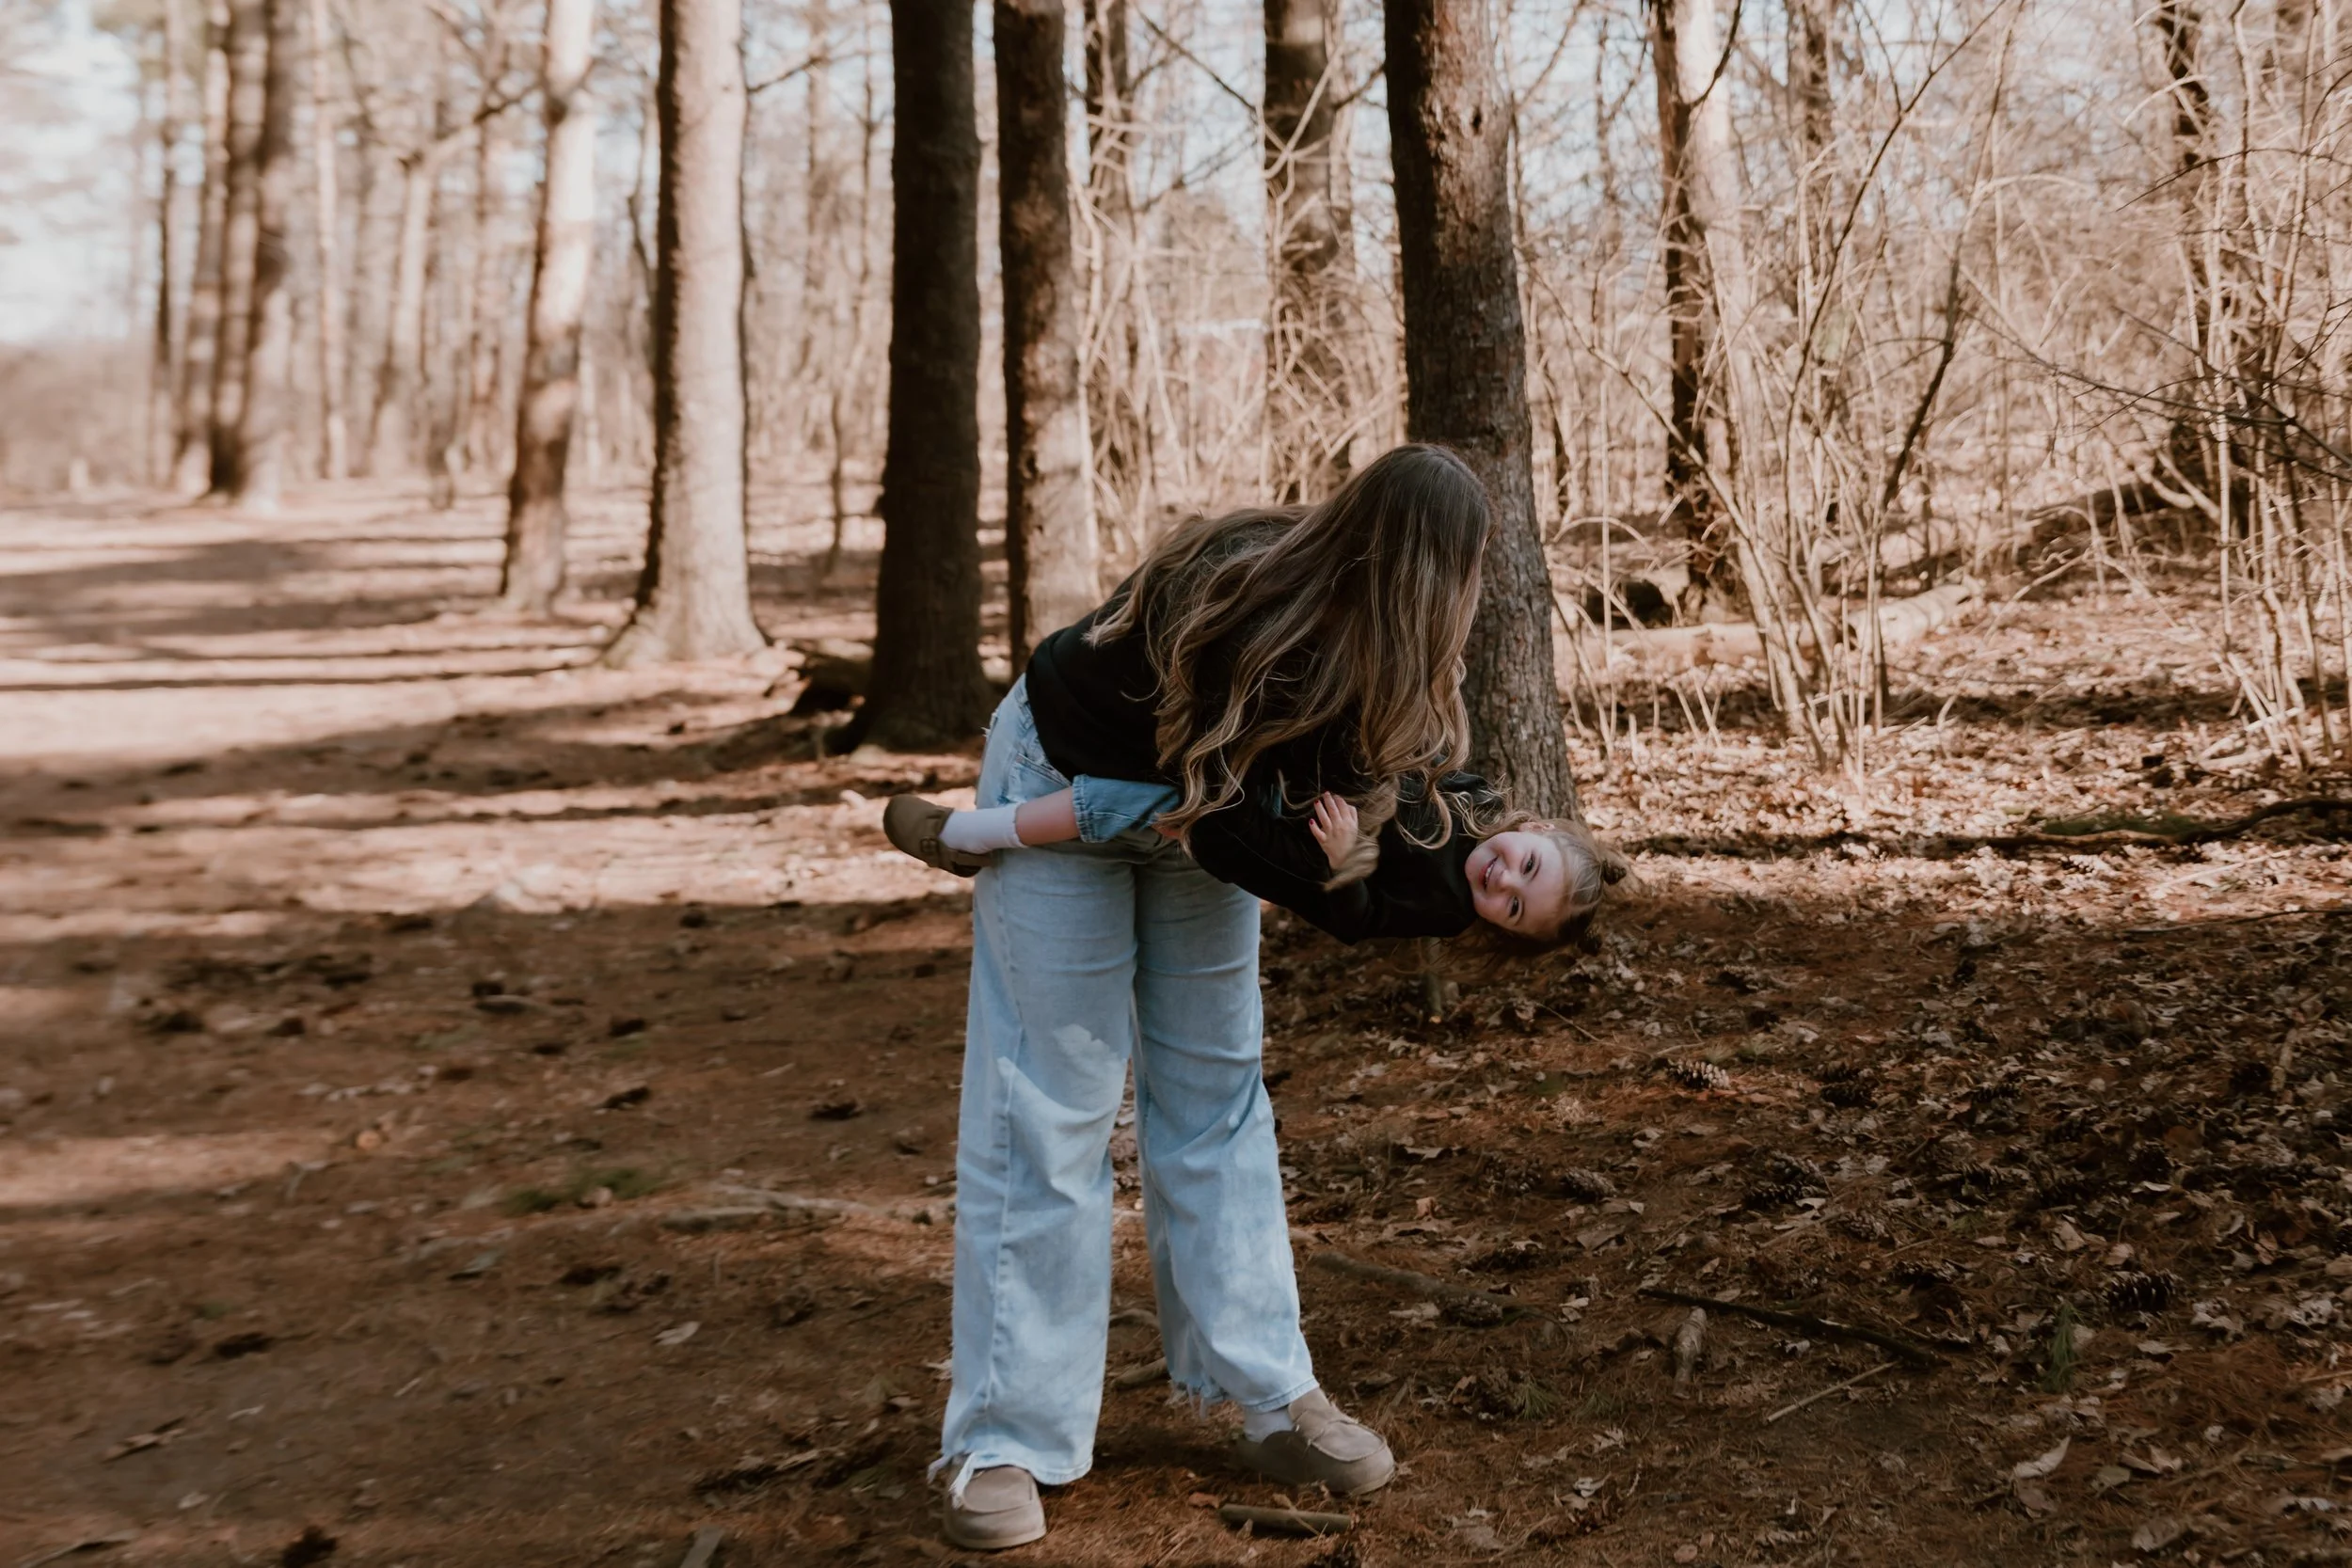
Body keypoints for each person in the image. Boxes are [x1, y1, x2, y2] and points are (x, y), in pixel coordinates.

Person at [917, 443, 1493, 1551]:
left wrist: (1412, 874)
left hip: (1200, 826)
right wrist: (1328, 879)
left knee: (1217, 1094)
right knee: (1052, 1103)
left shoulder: (1383, 657)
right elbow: (1238, 824)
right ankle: (1003, 1437)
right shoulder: (1241, 584)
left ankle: (1267, 1393)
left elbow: (1323, 820)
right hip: (1066, 780)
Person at [886, 779, 1626, 946]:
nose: (1503, 882)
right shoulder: (1468, 795)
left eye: (1516, 908)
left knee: (1152, 799)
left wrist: (1349, 858)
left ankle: (970, 831)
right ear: (1527, 828)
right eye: (1525, 865)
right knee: (1139, 805)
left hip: (1264, 844)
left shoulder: (1444, 905)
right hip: (1278, 788)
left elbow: (1356, 923)